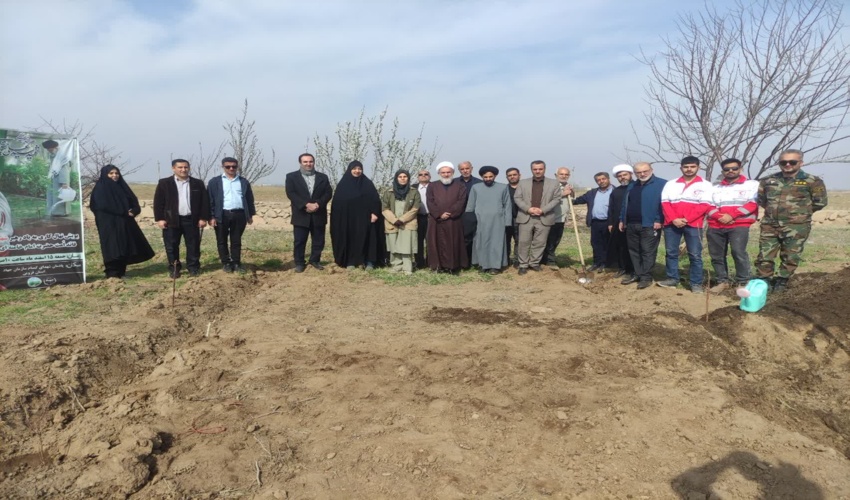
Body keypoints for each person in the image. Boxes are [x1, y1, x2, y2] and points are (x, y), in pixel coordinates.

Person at [754, 149, 827, 292]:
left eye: (792, 162)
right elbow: (762, 200)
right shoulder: (768, 180)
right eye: (783, 162)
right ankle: (764, 281)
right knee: (764, 255)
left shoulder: (812, 181)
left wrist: (799, 214)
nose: (787, 165)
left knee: (791, 255)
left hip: (797, 226)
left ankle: (782, 281)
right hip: (770, 224)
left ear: (801, 163)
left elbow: (820, 202)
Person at [658, 156, 713, 293]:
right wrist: (674, 219)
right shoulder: (671, 184)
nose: (689, 169)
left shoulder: (706, 185)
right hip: (672, 224)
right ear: (681, 168)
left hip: (694, 224)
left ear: (698, 167)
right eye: (686, 167)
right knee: (671, 252)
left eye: (692, 167)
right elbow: (665, 203)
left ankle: (696, 283)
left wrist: (686, 219)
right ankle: (672, 278)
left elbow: (704, 205)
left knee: (695, 254)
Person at [89, 165, 155, 278]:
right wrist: (123, 211)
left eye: (116, 173)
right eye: (111, 173)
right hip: (108, 223)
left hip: (124, 222)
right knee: (112, 246)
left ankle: (121, 272)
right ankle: (112, 273)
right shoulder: (100, 188)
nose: (114, 175)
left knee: (124, 245)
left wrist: (134, 211)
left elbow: (133, 201)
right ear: (105, 174)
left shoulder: (122, 186)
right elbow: (101, 205)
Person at [705, 158, 759, 292]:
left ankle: (743, 281)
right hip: (716, 225)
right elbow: (708, 205)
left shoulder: (751, 185)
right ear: (722, 171)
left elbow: (752, 204)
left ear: (740, 169)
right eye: (727, 169)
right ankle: (722, 281)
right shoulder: (715, 188)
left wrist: (732, 216)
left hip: (739, 224)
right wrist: (719, 216)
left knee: (738, 252)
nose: (730, 171)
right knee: (716, 255)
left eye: (734, 168)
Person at [153, 159, 210, 278]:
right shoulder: (164, 183)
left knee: (193, 245)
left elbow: (204, 202)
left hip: (191, 220)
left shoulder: (197, 183)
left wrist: (203, 218)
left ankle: (193, 268)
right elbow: (158, 202)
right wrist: (160, 219)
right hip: (171, 220)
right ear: (173, 168)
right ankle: (174, 268)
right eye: (180, 167)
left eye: (185, 167)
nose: (183, 170)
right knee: (171, 246)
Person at [619, 162, 666, 289]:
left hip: (650, 224)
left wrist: (659, 219)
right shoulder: (632, 185)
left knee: (647, 251)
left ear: (651, 170)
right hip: (631, 224)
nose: (642, 174)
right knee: (634, 251)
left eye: (645, 171)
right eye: (639, 172)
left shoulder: (662, 184)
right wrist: (622, 219)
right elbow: (625, 203)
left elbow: (664, 204)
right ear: (635, 173)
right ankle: (637, 274)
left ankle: (646, 277)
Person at [330, 161, 384, 270]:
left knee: (369, 238)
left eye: (359, 169)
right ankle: (350, 261)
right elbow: (337, 203)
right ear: (350, 170)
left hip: (366, 219)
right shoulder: (343, 185)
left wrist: (375, 213)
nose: (357, 171)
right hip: (349, 219)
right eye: (354, 169)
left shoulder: (367, 183)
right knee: (350, 238)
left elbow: (375, 200)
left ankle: (369, 261)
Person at [285, 153, 333, 273]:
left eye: (310, 161)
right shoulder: (291, 177)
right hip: (301, 214)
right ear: (300, 163)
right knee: (299, 241)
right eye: (305, 162)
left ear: (314, 162)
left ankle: (315, 260)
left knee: (318, 240)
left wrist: (317, 204)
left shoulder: (323, 177)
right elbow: (291, 193)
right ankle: (299, 262)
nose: (308, 164)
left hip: (318, 213)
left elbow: (328, 193)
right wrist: (306, 204)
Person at [208, 157, 256, 274]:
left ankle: (236, 262)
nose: (231, 168)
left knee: (236, 240)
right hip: (222, 214)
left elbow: (249, 199)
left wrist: (250, 214)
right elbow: (210, 200)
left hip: (239, 214)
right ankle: (226, 263)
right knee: (221, 240)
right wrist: (211, 216)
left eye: (234, 166)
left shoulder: (243, 182)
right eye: (228, 166)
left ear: (237, 167)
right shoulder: (214, 182)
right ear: (223, 167)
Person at [514, 160, 562, 275]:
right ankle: (523, 265)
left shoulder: (554, 183)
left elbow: (556, 199)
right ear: (531, 170)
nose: (538, 171)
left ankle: (534, 263)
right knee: (523, 242)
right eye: (535, 169)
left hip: (544, 217)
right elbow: (517, 198)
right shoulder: (523, 183)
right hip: (526, 216)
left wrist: (543, 210)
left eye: (540, 169)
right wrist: (528, 209)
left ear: (544, 169)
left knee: (540, 242)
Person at [466, 166, 512, 274]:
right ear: (482, 177)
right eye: (485, 177)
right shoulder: (475, 187)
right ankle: (483, 265)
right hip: (480, 221)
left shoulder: (503, 187)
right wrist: (469, 221)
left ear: (495, 176)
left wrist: (507, 222)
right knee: (481, 243)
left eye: (490, 176)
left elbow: (507, 205)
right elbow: (470, 205)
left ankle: (495, 266)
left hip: (498, 221)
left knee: (496, 243)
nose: (488, 179)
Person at [426, 161, 468, 273]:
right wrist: (439, 214)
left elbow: (461, 201)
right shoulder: (432, 186)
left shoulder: (460, 185)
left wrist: (450, 213)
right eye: (443, 172)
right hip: (436, 220)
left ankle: (452, 266)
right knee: (435, 243)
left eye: (448, 172)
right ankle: (437, 266)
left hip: (453, 220)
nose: (446, 174)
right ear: (439, 173)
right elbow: (430, 201)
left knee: (453, 243)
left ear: (452, 172)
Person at [572, 172, 614, 272]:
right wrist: (570, 195)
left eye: (603, 179)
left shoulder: (615, 191)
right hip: (595, 222)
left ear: (608, 179)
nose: (601, 181)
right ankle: (596, 262)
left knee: (607, 243)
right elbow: (578, 200)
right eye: (598, 180)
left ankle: (606, 263)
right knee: (595, 243)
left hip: (609, 222)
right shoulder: (592, 193)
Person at [381, 169, 421, 274]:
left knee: (406, 246)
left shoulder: (414, 192)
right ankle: (396, 266)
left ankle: (407, 268)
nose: (402, 179)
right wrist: (394, 220)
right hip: (392, 222)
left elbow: (415, 208)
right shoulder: (389, 192)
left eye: (405, 177)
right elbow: (385, 208)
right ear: (396, 178)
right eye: (400, 177)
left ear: (408, 178)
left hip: (407, 223)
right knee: (393, 245)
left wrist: (402, 220)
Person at [606, 165, 635, 277]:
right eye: (620, 176)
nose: (623, 177)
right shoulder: (616, 191)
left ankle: (633, 269)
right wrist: (610, 223)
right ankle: (622, 267)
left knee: (632, 247)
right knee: (621, 247)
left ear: (630, 174)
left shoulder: (636, 187)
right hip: (618, 224)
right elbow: (611, 208)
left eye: (625, 175)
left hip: (633, 223)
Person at [542, 167, 573, 266]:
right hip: (551, 218)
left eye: (566, 174)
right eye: (561, 174)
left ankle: (546, 259)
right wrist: (563, 193)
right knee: (549, 241)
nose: (564, 176)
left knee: (556, 240)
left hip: (562, 219)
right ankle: (549, 261)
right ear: (556, 175)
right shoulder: (551, 186)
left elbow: (571, 200)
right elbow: (547, 198)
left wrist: (571, 192)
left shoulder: (568, 186)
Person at [457, 160, 482, 266]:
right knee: (462, 238)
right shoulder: (454, 182)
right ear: (459, 170)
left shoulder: (479, 183)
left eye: (467, 168)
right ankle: (464, 261)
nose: (465, 171)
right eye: (462, 169)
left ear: (471, 168)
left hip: (475, 213)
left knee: (475, 237)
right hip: (459, 214)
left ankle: (474, 260)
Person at [42, 139, 74, 216]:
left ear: (55, 147)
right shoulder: (52, 156)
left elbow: (64, 170)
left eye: (50, 149)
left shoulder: (63, 156)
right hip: (53, 179)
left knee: (60, 196)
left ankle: (61, 212)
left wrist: (64, 183)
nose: (49, 151)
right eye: (48, 149)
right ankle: (54, 211)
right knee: (53, 196)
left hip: (60, 181)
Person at [412, 168, 431, 269]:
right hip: (417, 218)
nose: (423, 176)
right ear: (417, 177)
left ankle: (430, 262)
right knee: (418, 241)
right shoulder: (413, 188)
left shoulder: (434, 187)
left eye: (426, 174)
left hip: (431, 217)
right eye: (421, 174)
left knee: (430, 240)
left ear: (430, 176)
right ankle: (419, 263)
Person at [504, 167, 521, 267]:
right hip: (506, 219)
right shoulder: (504, 189)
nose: (512, 177)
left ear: (519, 175)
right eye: (509, 175)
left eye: (514, 175)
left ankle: (517, 260)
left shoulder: (524, 188)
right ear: (507, 177)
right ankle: (506, 260)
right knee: (506, 240)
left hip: (520, 218)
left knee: (519, 241)